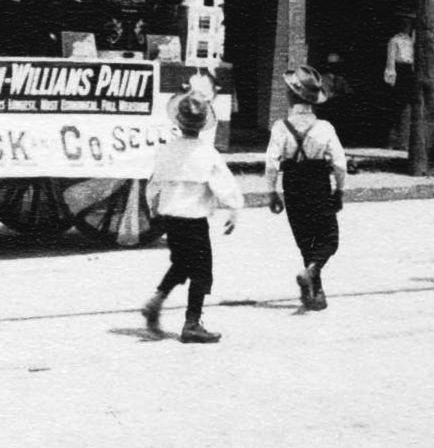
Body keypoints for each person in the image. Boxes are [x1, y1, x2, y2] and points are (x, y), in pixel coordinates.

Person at [141, 88, 243, 344]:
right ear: (203, 125)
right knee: (201, 272)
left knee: (182, 263)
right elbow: (224, 184)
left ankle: (157, 299)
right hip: (194, 219)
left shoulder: (167, 150)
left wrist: (152, 205)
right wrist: (233, 209)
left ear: (179, 120)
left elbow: (154, 183)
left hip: (171, 218)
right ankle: (192, 323)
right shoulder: (207, 153)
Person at [265, 65, 347, 311]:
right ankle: (313, 275)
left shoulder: (280, 127)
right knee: (330, 239)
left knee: (305, 241)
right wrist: (339, 191)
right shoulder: (325, 127)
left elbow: (271, 163)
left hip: (292, 183)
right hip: (318, 182)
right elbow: (340, 164)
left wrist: (272, 191)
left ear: (291, 96)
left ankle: (315, 290)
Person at [383, 8, 416, 152]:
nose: (406, 25)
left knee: (407, 108)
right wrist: (391, 77)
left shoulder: (412, 40)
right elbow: (390, 61)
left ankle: (404, 141)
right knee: (397, 108)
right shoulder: (394, 40)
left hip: (409, 73)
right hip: (399, 73)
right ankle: (393, 140)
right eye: (403, 23)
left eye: (408, 23)